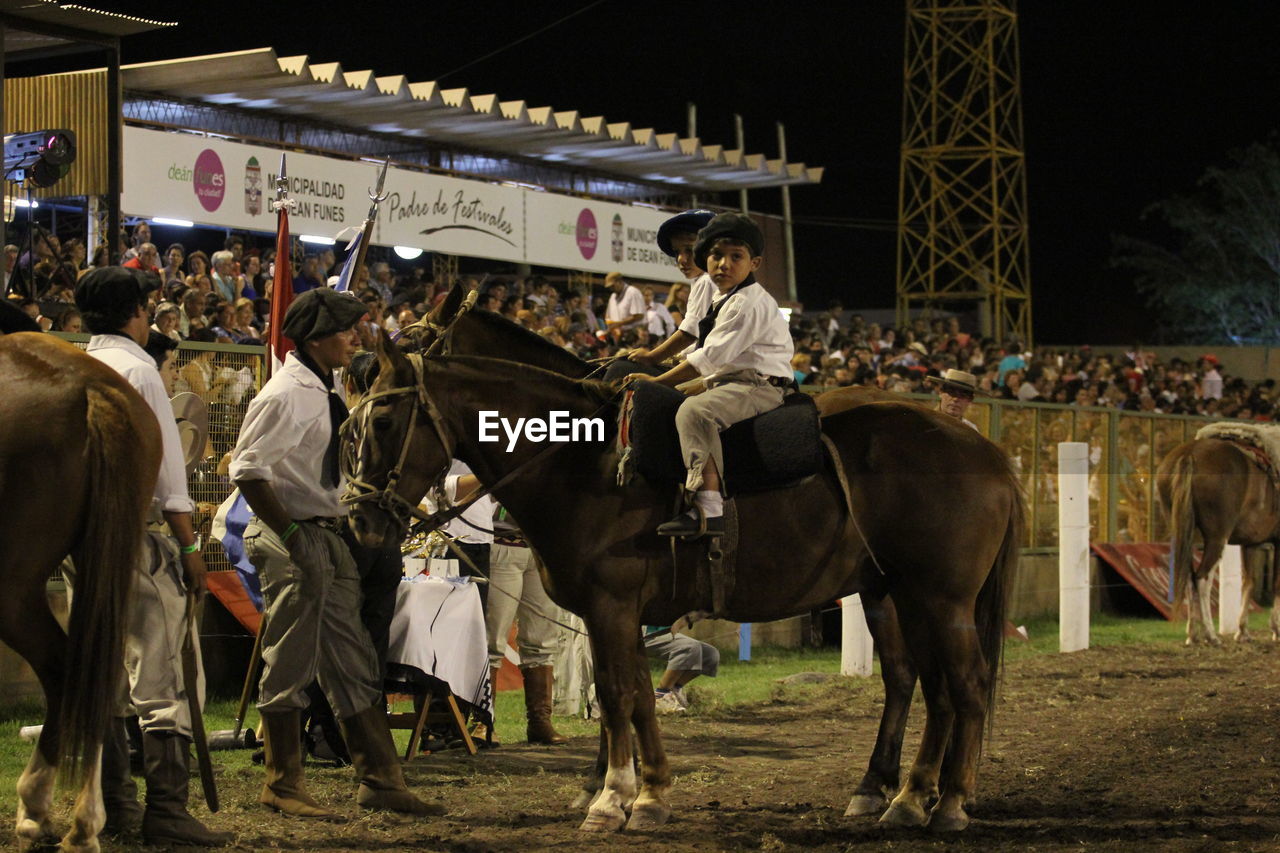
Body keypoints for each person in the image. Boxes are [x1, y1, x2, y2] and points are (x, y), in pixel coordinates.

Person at [230, 287, 438, 819]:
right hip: (294, 535)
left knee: (352, 659)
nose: (356, 337)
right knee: (291, 657)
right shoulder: (285, 394)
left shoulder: (326, 387)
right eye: (348, 329)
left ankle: (381, 779)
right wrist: (294, 536)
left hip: (327, 532)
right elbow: (247, 470)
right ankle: (281, 782)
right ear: (318, 337)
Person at [74, 266, 233, 847]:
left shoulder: (80, 365)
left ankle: (117, 803)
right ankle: (166, 809)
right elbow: (169, 474)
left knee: (107, 673)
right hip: (136, 536)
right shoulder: (139, 370)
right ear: (135, 312)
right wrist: (190, 545)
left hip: (81, 541)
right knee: (163, 671)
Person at [627, 213, 794, 538]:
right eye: (716, 256)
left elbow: (707, 358)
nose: (723, 265)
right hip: (730, 379)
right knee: (677, 402)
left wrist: (656, 380)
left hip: (758, 385)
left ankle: (709, 508)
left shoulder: (746, 303)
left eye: (736, 257)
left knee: (694, 412)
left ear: (754, 262)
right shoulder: (723, 297)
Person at [482, 507, 570, 746]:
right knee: (492, 640)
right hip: (501, 544)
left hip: (543, 548)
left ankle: (540, 722)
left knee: (542, 639)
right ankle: (483, 722)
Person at [627, 209, 717, 370]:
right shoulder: (701, 281)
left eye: (689, 250)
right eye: (677, 252)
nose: (681, 259)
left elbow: (689, 334)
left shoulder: (707, 281)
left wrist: (651, 357)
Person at [644, 626, 719, 714]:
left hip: (666, 632)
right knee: (689, 646)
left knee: (710, 654)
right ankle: (660, 696)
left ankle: (674, 690)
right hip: (644, 633)